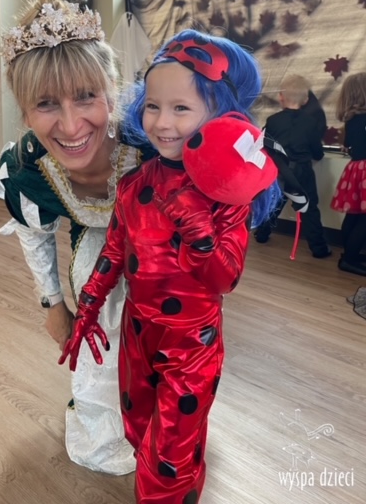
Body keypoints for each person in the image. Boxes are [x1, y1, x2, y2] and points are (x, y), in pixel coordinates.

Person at [59, 29, 281, 504]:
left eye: (181, 108)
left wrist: (197, 225)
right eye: (154, 106)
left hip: (191, 344)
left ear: (220, 114)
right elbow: (114, 252)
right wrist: (87, 311)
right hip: (138, 335)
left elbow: (225, 277)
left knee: (168, 458)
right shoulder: (134, 183)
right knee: (141, 434)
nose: (162, 122)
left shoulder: (225, 197)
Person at [0, 0, 156, 475]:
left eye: (85, 96)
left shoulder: (151, 143)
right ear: (25, 112)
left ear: (112, 91)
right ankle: (103, 427)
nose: (71, 124)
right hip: (95, 258)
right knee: (97, 330)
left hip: (163, 256)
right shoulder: (29, 169)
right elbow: (35, 233)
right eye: (46, 103)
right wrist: (53, 305)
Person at [254, 74, 331, 258]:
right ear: (305, 100)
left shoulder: (273, 120)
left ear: (281, 96)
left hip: (279, 170)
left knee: (274, 202)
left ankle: (262, 234)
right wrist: (318, 156)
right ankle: (319, 249)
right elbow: (317, 150)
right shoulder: (310, 122)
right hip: (302, 171)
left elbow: (265, 145)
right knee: (309, 208)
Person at [331, 72, 366, 275]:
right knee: (363, 219)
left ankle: (349, 254)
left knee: (353, 215)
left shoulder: (351, 120)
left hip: (356, 168)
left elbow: (350, 146)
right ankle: (349, 260)